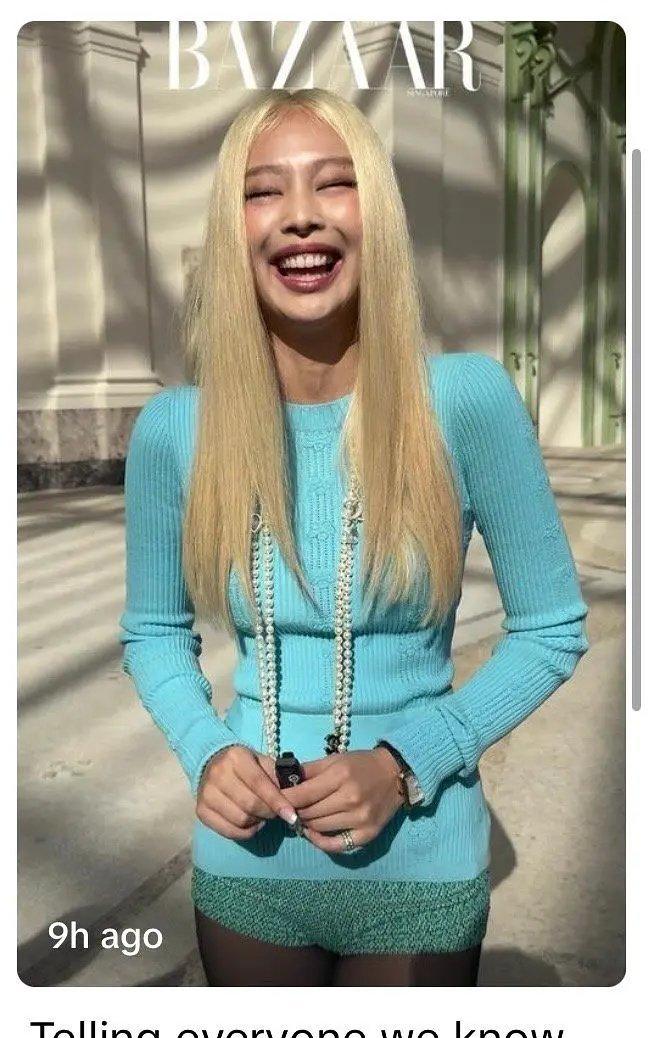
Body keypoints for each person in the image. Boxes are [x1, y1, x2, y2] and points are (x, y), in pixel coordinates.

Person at [119, 88, 589, 988]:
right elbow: (152, 631)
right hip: (247, 870)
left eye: (334, 183)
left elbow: (551, 628)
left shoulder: (466, 401)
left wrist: (410, 760)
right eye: (263, 191)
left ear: (377, 214)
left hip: (422, 867)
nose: (300, 215)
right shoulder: (175, 430)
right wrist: (204, 749)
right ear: (231, 228)